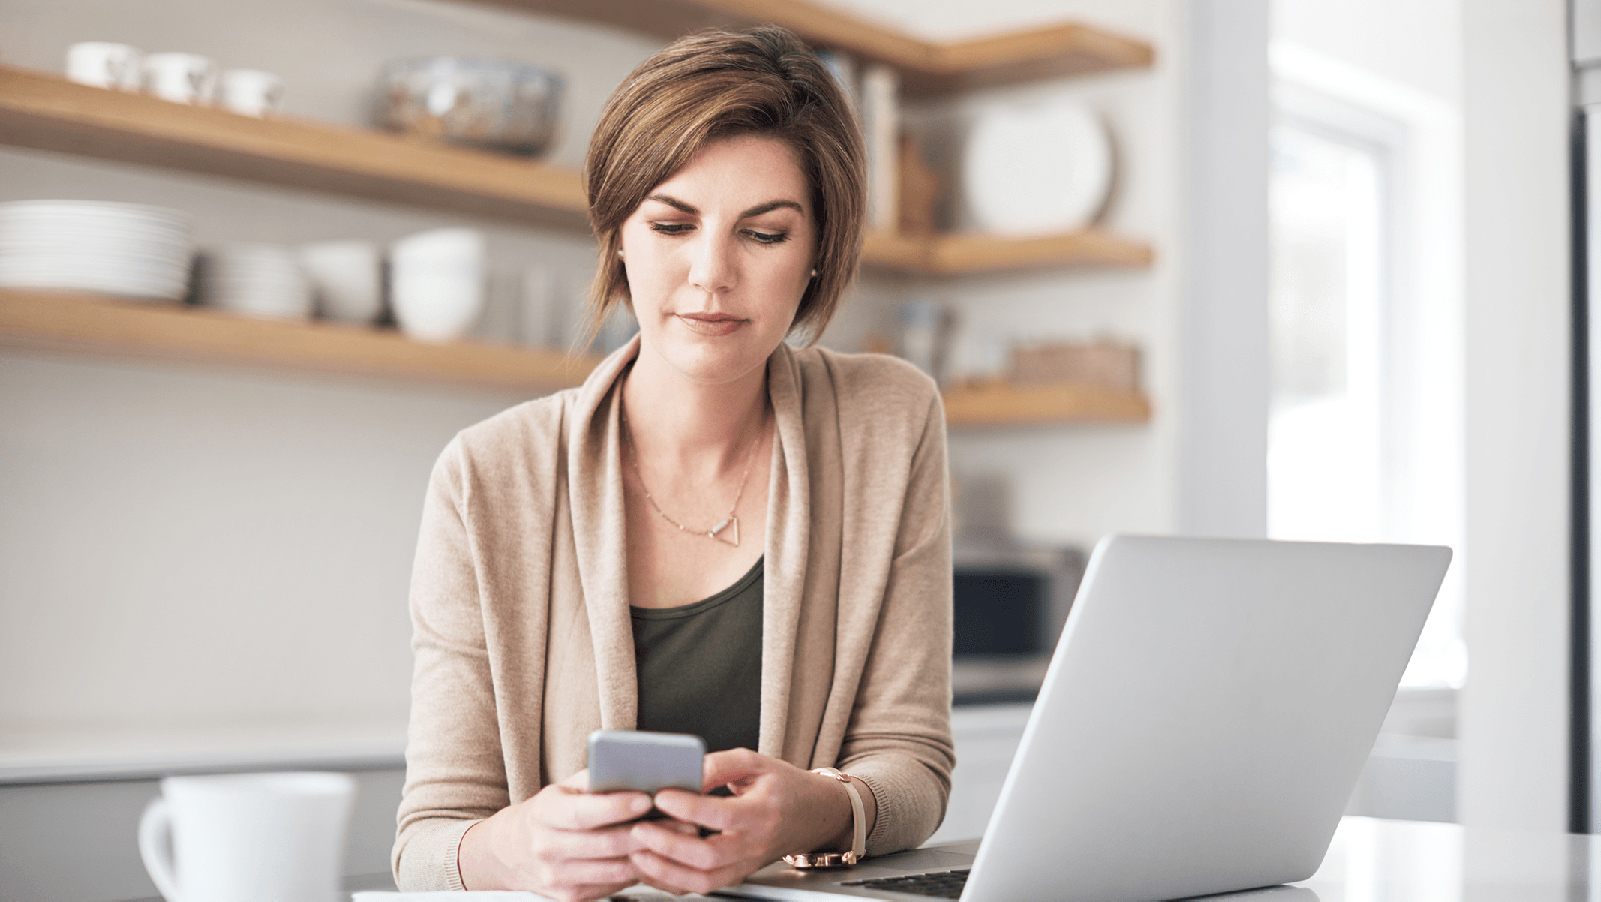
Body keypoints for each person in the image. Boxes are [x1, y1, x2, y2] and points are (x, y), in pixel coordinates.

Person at [393, 25, 954, 901]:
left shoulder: (888, 420)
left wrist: (813, 809)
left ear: (815, 255)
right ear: (618, 233)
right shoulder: (487, 477)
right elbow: (428, 841)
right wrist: (515, 849)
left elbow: (912, 767)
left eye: (762, 234)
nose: (709, 274)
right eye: (671, 223)